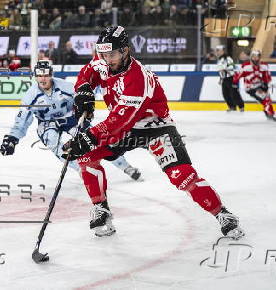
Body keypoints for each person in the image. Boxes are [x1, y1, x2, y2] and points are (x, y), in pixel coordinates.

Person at [62, 26, 244, 239]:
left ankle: (222, 214)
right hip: (127, 128)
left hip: (155, 128)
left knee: (181, 176)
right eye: (102, 54)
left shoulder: (138, 78)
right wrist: (83, 91)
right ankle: (101, 208)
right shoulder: (102, 60)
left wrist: (89, 137)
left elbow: (120, 119)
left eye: (111, 54)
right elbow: (88, 72)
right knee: (86, 157)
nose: (106, 59)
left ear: (125, 51)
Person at [0, 60, 142, 181]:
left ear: (51, 75)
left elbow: (81, 99)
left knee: (94, 140)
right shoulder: (30, 97)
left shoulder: (65, 87)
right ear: (35, 76)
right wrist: (12, 138)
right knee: (52, 141)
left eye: (46, 75)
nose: (43, 79)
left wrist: (84, 110)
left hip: (70, 118)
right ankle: (81, 170)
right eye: (39, 75)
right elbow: (22, 121)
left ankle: (126, 167)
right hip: (47, 123)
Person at [233, 50, 275, 121]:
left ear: (259, 57)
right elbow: (237, 75)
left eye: (257, 56)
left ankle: (268, 113)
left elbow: (267, 77)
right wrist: (234, 83)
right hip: (250, 88)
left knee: (266, 99)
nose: (255, 58)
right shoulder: (246, 66)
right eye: (253, 56)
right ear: (251, 57)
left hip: (260, 86)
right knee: (266, 99)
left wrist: (266, 84)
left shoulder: (264, 66)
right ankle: (270, 113)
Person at [215, 45, 244, 112]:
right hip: (225, 79)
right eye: (216, 51)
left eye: (218, 50)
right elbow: (220, 70)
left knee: (234, 93)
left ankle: (241, 106)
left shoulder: (228, 58)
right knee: (225, 94)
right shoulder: (220, 60)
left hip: (231, 78)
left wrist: (225, 69)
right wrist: (221, 78)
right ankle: (232, 106)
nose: (217, 52)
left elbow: (233, 67)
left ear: (222, 51)